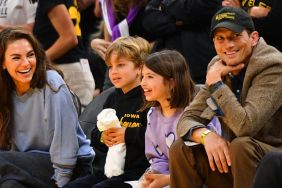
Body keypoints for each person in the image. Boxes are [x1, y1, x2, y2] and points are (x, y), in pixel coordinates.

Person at [169, 6, 282, 188]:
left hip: (275, 162)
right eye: (220, 38)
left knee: (241, 145)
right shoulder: (218, 65)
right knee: (181, 148)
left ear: (253, 38)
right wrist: (206, 136)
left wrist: (216, 85)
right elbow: (186, 120)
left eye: (235, 36)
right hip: (240, 160)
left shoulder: (273, 66)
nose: (228, 45)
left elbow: (246, 127)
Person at [0, 27, 94, 188]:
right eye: (16, 57)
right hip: (24, 164)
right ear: (3, 63)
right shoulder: (4, 91)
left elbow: (66, 144)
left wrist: (60, 181)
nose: (26, 63)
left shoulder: (52, 84)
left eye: (30, 55)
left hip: (71, 166)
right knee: (10, 185)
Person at [64, 36, 151, 188]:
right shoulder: (112, 97)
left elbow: (158, 136)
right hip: (109, 170)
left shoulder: (149, 97)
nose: (113, 72)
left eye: (121, 65)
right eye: (110, 66)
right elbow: (95, 134)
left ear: (140, 67)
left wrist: (127, 134)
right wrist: (104, 137)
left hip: (140, 172)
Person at [139, 50, 195, 188]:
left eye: (150, 77)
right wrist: (153, 175)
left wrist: (169, 179)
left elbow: (202, 165)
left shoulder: (195, 112)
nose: (142, 83)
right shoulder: (152, 114)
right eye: (142, 77)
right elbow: (158, 158)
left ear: (172, 82)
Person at [33, 0, 95, 108]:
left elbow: (69, 39)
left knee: (75, 123)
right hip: (74, 69)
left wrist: (38, 62)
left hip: (68, 70)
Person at [142, 0, 221, 84]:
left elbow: (202, 7)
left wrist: (164, 6)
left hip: (199, 64)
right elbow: (149, 20)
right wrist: (178, 22)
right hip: (166, 66)